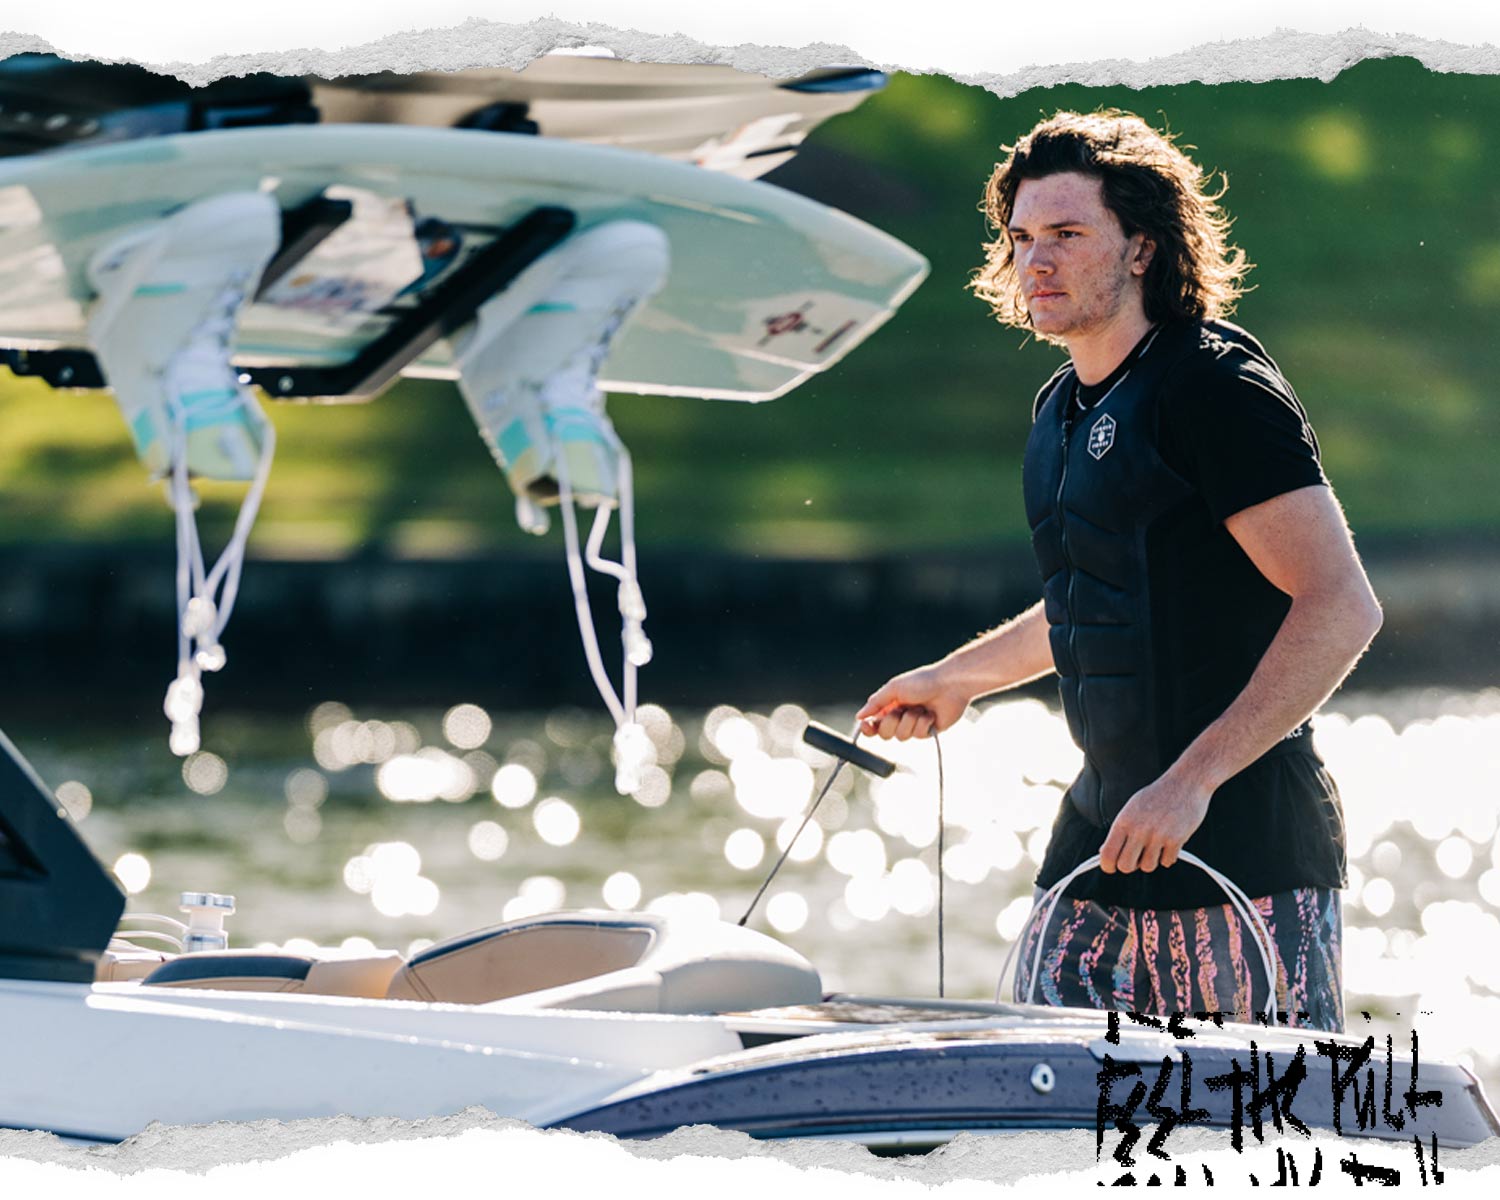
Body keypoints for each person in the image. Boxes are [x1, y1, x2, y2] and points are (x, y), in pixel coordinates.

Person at [855, 110, 1382, 1032]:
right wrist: (956, 679)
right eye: (1021, 238)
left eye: (1066, 235)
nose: (1036, 262)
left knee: (1250, 1152)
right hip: (1100, 845)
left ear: (1140, 248)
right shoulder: (1059, 408)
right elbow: (1096, 597)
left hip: (1243, 851)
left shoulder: (1212, 387)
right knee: (1036, 1127)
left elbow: (1341, 605)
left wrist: (1192, 780)